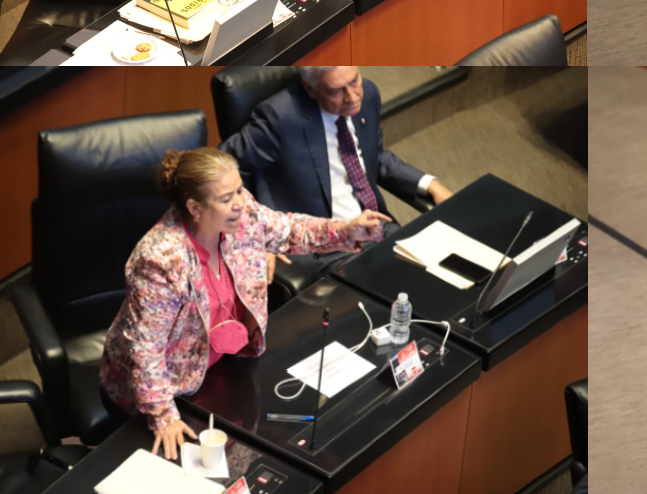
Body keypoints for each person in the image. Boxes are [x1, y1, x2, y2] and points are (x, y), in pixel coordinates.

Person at [99, 147, 391, 460]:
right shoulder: (160, 258)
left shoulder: (244, 212)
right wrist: (162, 415)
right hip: (164, 388)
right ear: (194, 207)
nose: (239, 202)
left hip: (224, 364)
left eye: (239, 190)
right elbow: (146, 348)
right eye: (226, 199)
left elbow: (290, 230)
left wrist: (346, 230)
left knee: (245, 460)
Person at [218, 66, 453, 285]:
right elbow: (219, 173)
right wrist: (257, 232)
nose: (352, 96)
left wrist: (430, 184)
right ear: (310, 89)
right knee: (402, 293)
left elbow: (373, 156)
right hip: (326, 247)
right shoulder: (280, 118)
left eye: (354, 81)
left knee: (447, 273)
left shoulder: (368, 93)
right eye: (336, 91)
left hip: (377, 226)